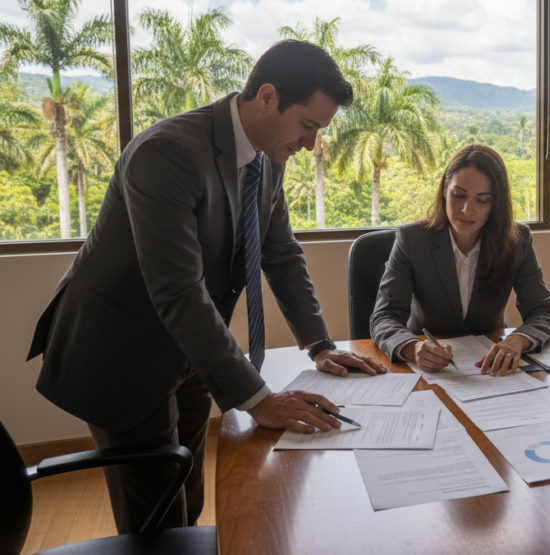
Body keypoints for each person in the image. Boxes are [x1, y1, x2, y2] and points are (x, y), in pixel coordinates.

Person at [26, 40, 386, 534]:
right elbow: (177, 291)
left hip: (189, 349)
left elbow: (279, 252)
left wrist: (319, 344)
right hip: (121, 352)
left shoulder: (267, 157)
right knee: (154, 522)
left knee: (186, 495)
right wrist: (260, 400)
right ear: (266, 97)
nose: (310, 143)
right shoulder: (167, 153)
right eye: (308, 125)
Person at [370, 144, 550, 376]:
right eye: (458, 195)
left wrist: (518, 340)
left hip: (491, 369)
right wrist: (413, 347)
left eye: (483, 200)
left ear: (496, 204)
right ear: (444, 191)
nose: (467, 210)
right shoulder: (412, 240)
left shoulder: (517, 240)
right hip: (429, 371)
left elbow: (543, 312)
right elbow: (384, 317)